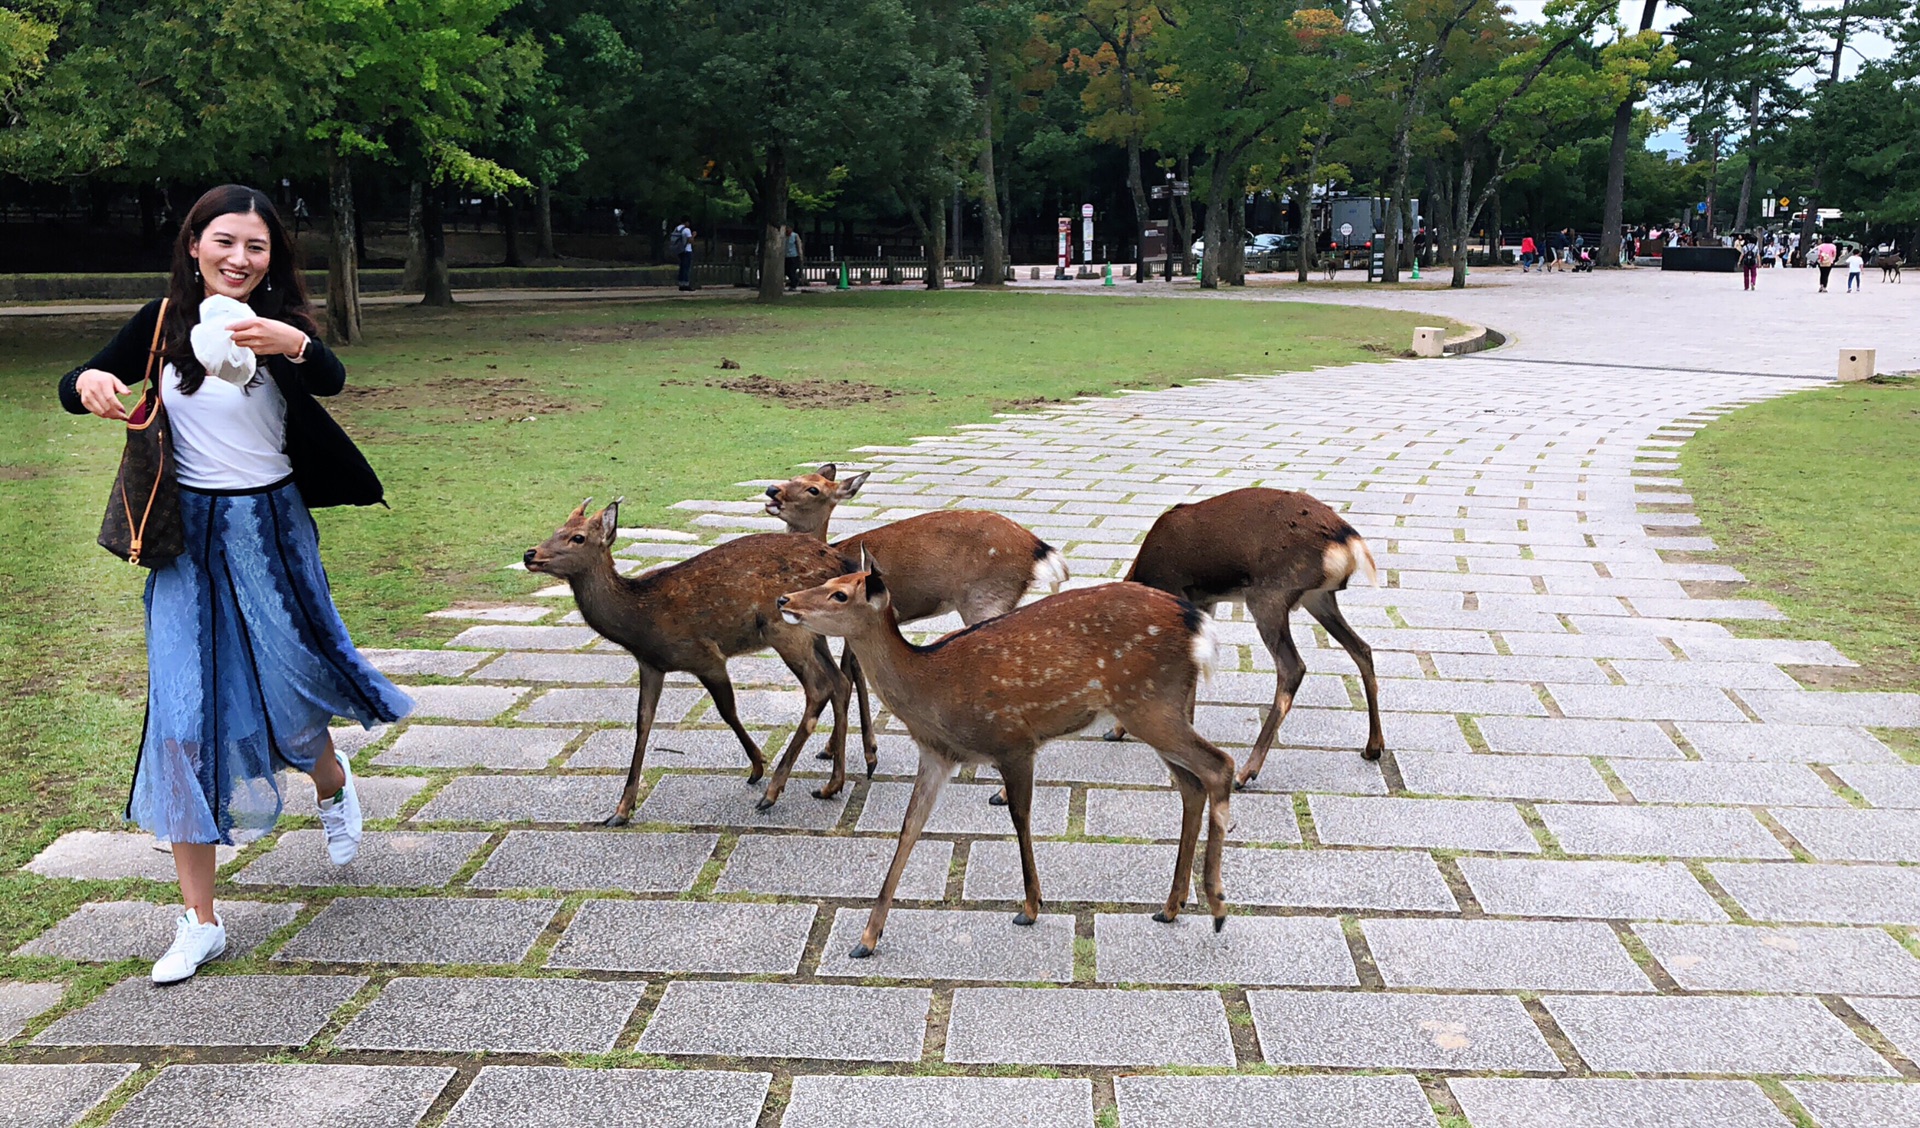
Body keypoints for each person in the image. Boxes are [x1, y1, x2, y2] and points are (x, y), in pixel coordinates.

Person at [59, 184, 411, 985]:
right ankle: (200, 921)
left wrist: (291, 342)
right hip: (186, 541)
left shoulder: (275, 326)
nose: (239, 258)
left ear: (271, 258)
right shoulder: (160, 323)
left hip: (272, 531)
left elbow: (331, 379)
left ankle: (330, 781)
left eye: (256, 247)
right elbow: (79, 381)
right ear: (194, 245)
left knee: (293, 695)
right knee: (182, 722)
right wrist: (87, 384)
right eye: (224, 242)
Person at [671, 218, 695, 291]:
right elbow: (690, 240)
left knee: (682, 267)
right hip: (686, 250)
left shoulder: (677, 228)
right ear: (687, 222)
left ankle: (681, 283)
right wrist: (693, 235)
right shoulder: (686, 230)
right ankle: (685, 284)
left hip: (679, 250)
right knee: (686, 268)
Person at [784, 225, 805, 291]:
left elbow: (799, 246)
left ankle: (794, 284)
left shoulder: (795, 236)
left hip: (793, 256)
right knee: (786, 271)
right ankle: (795, 280)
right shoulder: (783, 236)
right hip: (785, 256)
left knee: (792, 271)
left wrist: (800, 256)